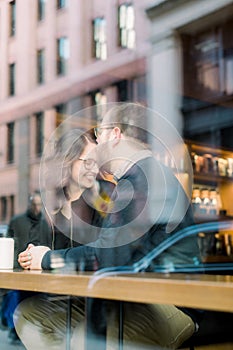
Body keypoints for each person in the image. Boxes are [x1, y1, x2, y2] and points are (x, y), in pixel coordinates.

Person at [14, 103, 201, 350]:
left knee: (87, 337)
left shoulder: (142, 180)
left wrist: (47, 259)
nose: (96, 147)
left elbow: (107, 257)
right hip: (132, 296)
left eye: (98, 136)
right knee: (29, 313)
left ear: (114, 135)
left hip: (169, 302)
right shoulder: (137, 178)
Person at [0, 191, 52, 343]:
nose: (37, 207)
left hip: (38, 270)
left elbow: (48, 243)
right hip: (20, 269)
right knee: (18, 300)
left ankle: (26, 332)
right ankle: (14, 331)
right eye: (34, 204)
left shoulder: (44, 223)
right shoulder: (17, 221)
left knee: (35, 301)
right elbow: (10, 242)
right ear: (30, 205)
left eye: (39, 204)